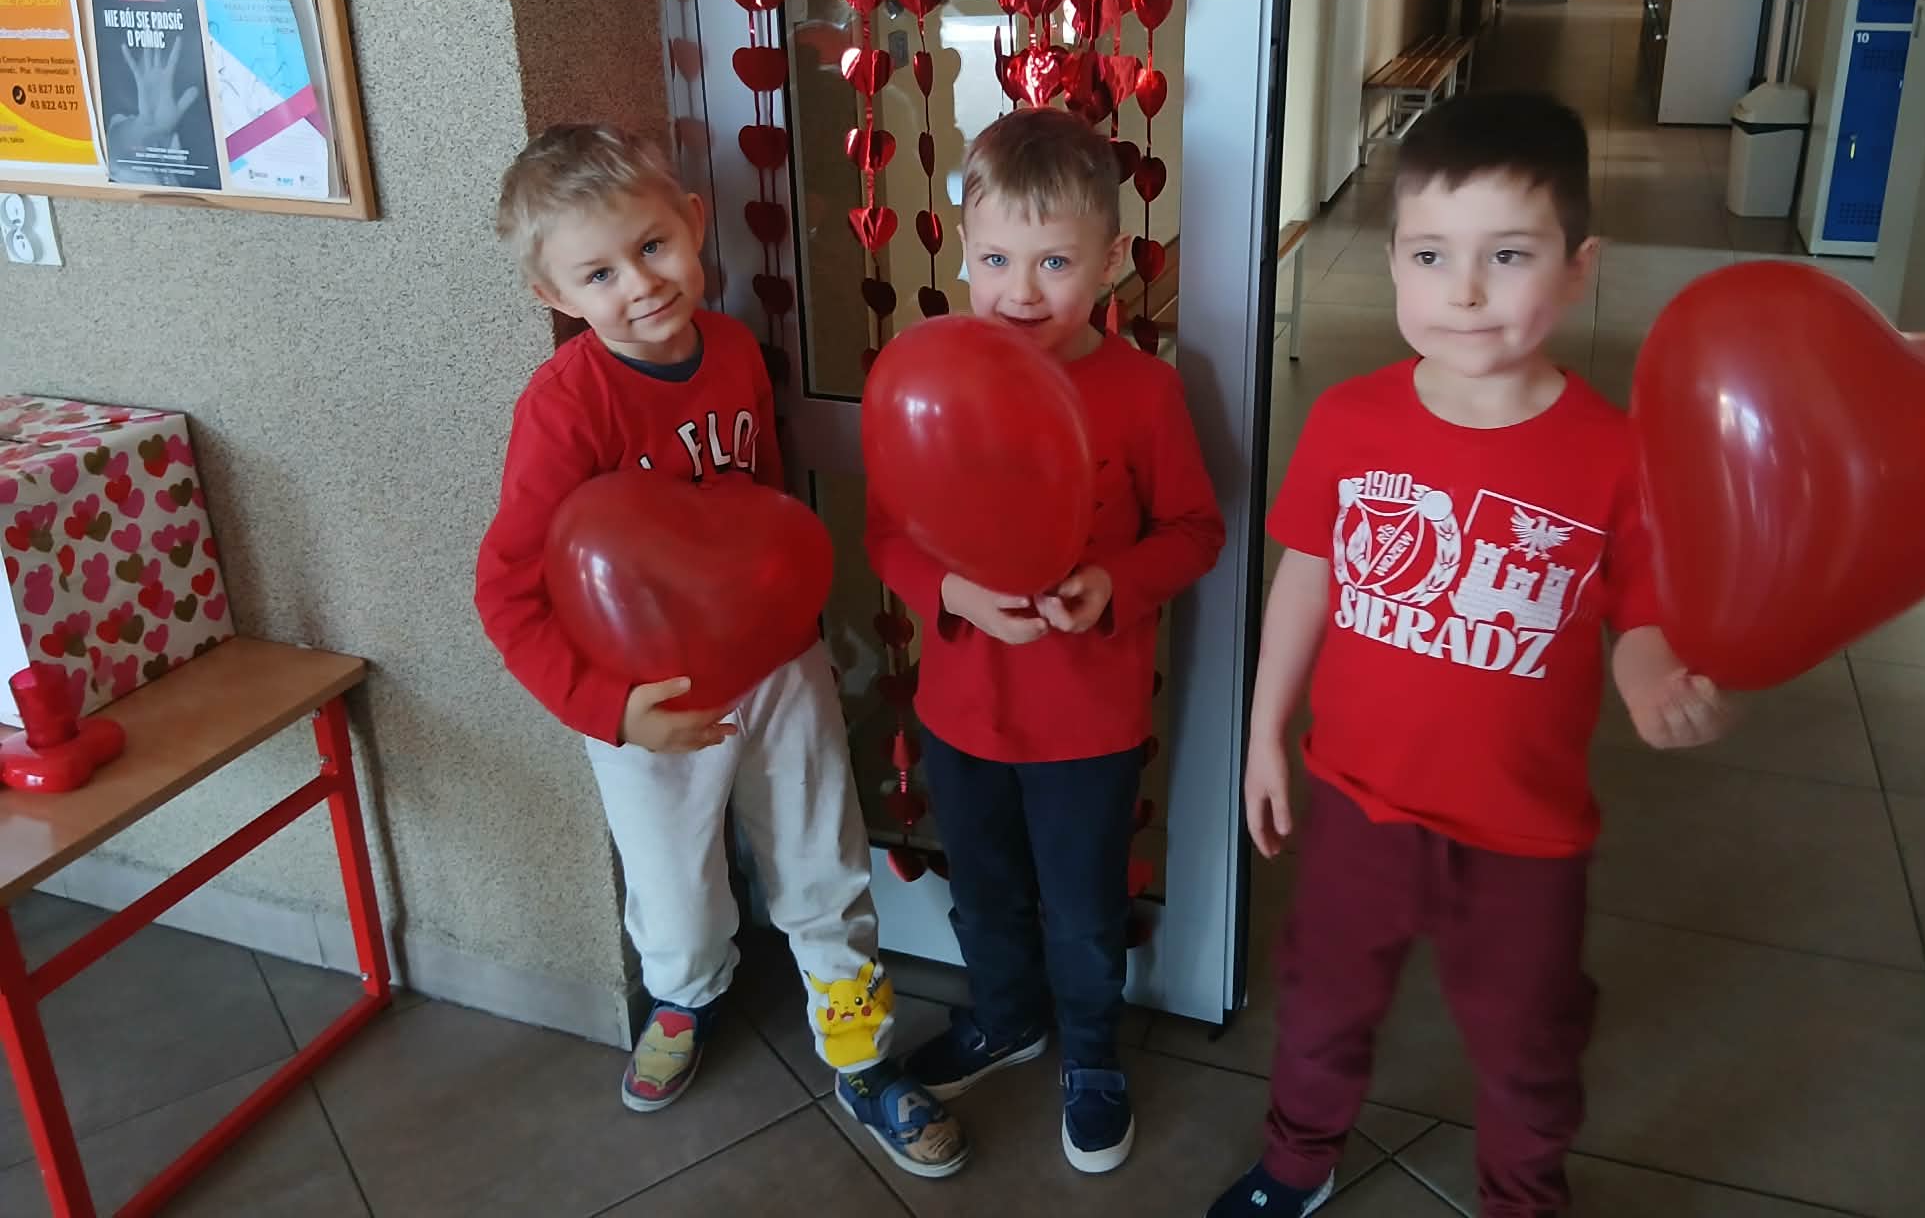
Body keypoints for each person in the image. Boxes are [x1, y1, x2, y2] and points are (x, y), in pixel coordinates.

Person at [1207, 91, 1739, 1218]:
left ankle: (1522, 1197)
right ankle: (1296, 1163)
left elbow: (1639, 611)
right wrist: (1262, 731)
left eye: (1507, 254)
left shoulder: (1616, 455)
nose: (1462, 292)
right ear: (1392, 262)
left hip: (1524, 835)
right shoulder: (1349, 421)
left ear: (1578, 267)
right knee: (1321, 1004)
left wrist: (1657, 681)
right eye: (1429, 254)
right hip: (1358, 802)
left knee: (1528, 1044)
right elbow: (1307, 574)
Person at [474, 125, 967, 1179]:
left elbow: (764, 512)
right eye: (599, 274)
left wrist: (796, 618)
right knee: (676, 895)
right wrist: (611, 711)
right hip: (647, 701)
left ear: (694, 224)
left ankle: (861, 1051)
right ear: (552, 295)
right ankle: (684, 997)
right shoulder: (565, 409)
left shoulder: (736, 351)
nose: (640, 284)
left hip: (779, 668)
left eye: (652, 246)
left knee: (822, 859)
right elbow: (507, 593)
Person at [867, 108, 1225, 1174]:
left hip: (1088, 722)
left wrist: (1113, 583)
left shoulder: (1144, 391)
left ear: (1111, 262)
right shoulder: (935, 378)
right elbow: (888, 531)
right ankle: (1006, 1018)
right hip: (962, 711)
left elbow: (1195, 530)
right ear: (961, 252)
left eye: (1055, 262)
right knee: (983, 894)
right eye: (996, 260)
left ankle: (1091, 1052)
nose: (1021, 290)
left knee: (1081, 908)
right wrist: (954, 595)